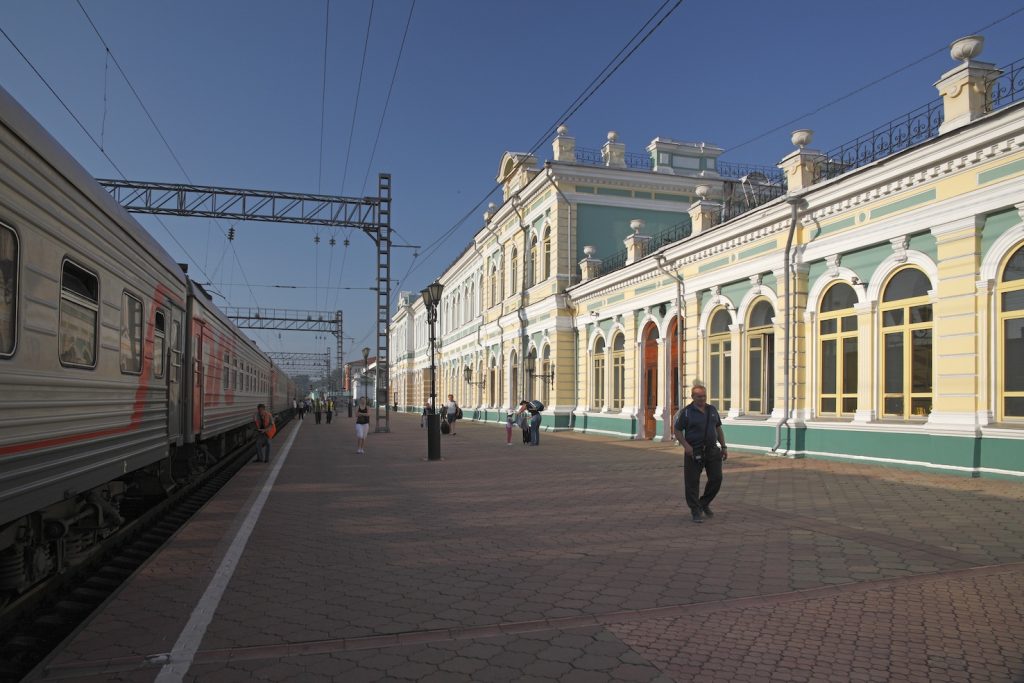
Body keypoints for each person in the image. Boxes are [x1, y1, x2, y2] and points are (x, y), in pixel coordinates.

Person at [673, 383, 729, 524]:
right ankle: (695, 510)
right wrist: (686, 446)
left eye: (704, 396)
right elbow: (677, 431)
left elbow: (718, 429)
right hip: (694, 452)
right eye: (699, 396)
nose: (702, 398)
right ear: (692, 397)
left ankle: (703, 503)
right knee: (692, 482)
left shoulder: (712, 410)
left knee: (717, 479)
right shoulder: (686, 412)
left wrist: (723, 446)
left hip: (712, 450)